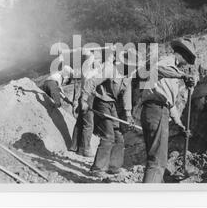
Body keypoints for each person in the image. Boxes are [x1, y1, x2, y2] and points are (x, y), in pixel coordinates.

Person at [139, 38, 198, 183]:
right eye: (187, 60)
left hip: (158, 110)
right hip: (156, 110)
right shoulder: (167, 62)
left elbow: (170, 103)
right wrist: (182, 75)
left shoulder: (172, 73)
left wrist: (180, 125)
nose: (186, 65)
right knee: (158, 161)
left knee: (155, 158)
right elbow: (156, 69)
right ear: (183, 55)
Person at [81, 53, 134, 176]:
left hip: (112, 105)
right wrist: (83, 99)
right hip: (101, 102)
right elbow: (91, 82)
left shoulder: (128, 76)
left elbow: (127, 94)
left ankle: (113, 166)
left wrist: (129, 115)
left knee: (118, 136)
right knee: (108, 135)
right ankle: (97, 168)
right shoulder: (110, 69)